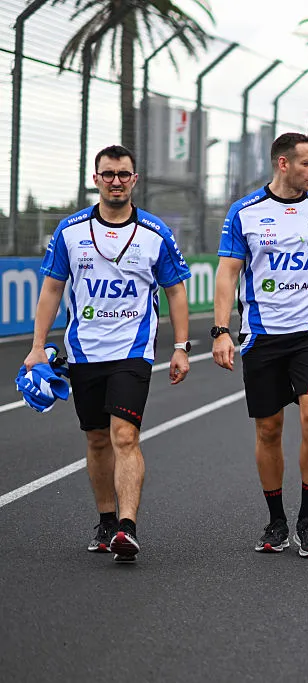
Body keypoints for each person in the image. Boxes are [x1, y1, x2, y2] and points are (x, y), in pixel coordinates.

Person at [24, 144, 192, 562]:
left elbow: (175, 290)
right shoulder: (70, 231)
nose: (116, 181)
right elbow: (51, 289)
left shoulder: (155, 232)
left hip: (132, 352)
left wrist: (181, 347)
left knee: (124, 435)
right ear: (96, 178)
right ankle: (105, 520)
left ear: (134, 180)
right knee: (97, 439)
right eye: (108, 174)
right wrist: (35, 349)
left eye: (123, 174)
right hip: (83, 353)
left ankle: (127, 527)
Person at [213, 132, 308, 558]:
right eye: (307, 162)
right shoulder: (245, 212)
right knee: (269, 429)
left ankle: (307, 519)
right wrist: (221, 331)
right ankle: (276, 520)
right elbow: (227, 275)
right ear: (283, 164)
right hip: (262, 337)